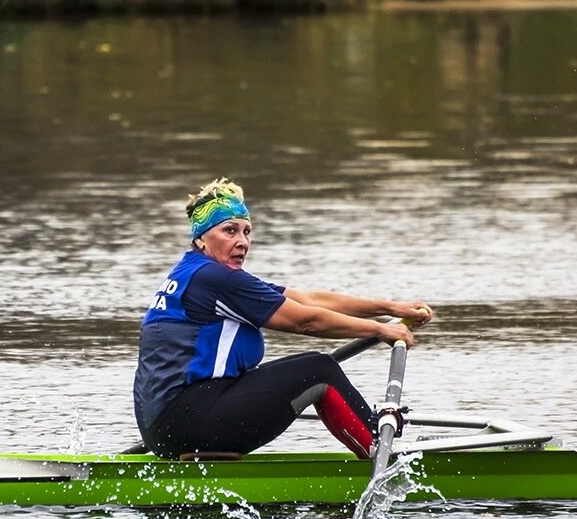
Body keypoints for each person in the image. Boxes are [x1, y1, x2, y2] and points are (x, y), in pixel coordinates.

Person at [133, 178, 434, 460]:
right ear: (201, 238)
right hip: (191, 421)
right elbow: (306, 321)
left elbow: (308, 300)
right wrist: (381, 330)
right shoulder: (216, 279)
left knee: (307, 369)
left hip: (165, 427)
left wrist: (392, 309)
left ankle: (370, 440)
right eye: (230, 231)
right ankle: (379, 451)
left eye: (246, 231)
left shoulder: (195, 273)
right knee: (319, 370)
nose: (242, 242)